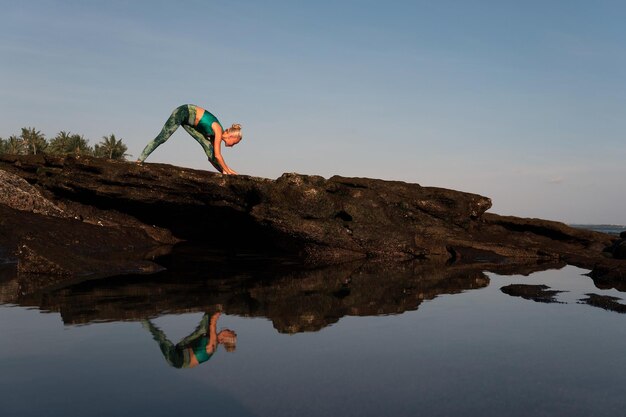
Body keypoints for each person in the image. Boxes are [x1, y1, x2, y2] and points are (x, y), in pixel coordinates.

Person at [136, 104, 242, 175]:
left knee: (209, 149)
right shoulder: (218, 130)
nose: (232, 146)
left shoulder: (216, 134)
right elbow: (218, 156)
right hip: (183, 112)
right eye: (234, 143)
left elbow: (212, 158)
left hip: (190, 123)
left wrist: (230, 172)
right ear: (232, 137)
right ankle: (139, 160)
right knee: (163, 137)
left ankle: (224, 173)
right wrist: (228, 170)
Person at [142, 312, 237, 369]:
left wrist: (219, 310)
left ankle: (141, 318)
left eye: (229, 331)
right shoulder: (211, 341)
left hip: (177, 360)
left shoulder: (213, 345)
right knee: (203, 329)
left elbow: (213, 323)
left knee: (160, 336)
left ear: (225, 338)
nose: (228, 329)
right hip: (182, 348)